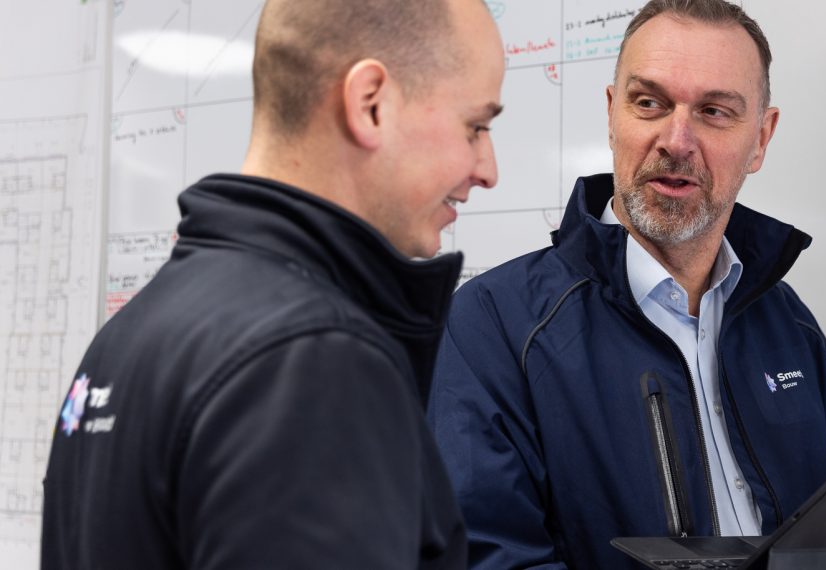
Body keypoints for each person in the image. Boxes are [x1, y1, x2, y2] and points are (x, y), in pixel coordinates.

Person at [428, 0, 826, 569]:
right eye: (649, 102)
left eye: (714, 111)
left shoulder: (788, 323)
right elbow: (486, 557)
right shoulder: (492, 326)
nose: (676, 140)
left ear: (761, 138)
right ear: (612, 115)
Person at [41, 0, 503, 568]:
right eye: (475, 126)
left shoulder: (132, 331)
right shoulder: (312, 362)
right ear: (371, 104)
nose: (488, 168)